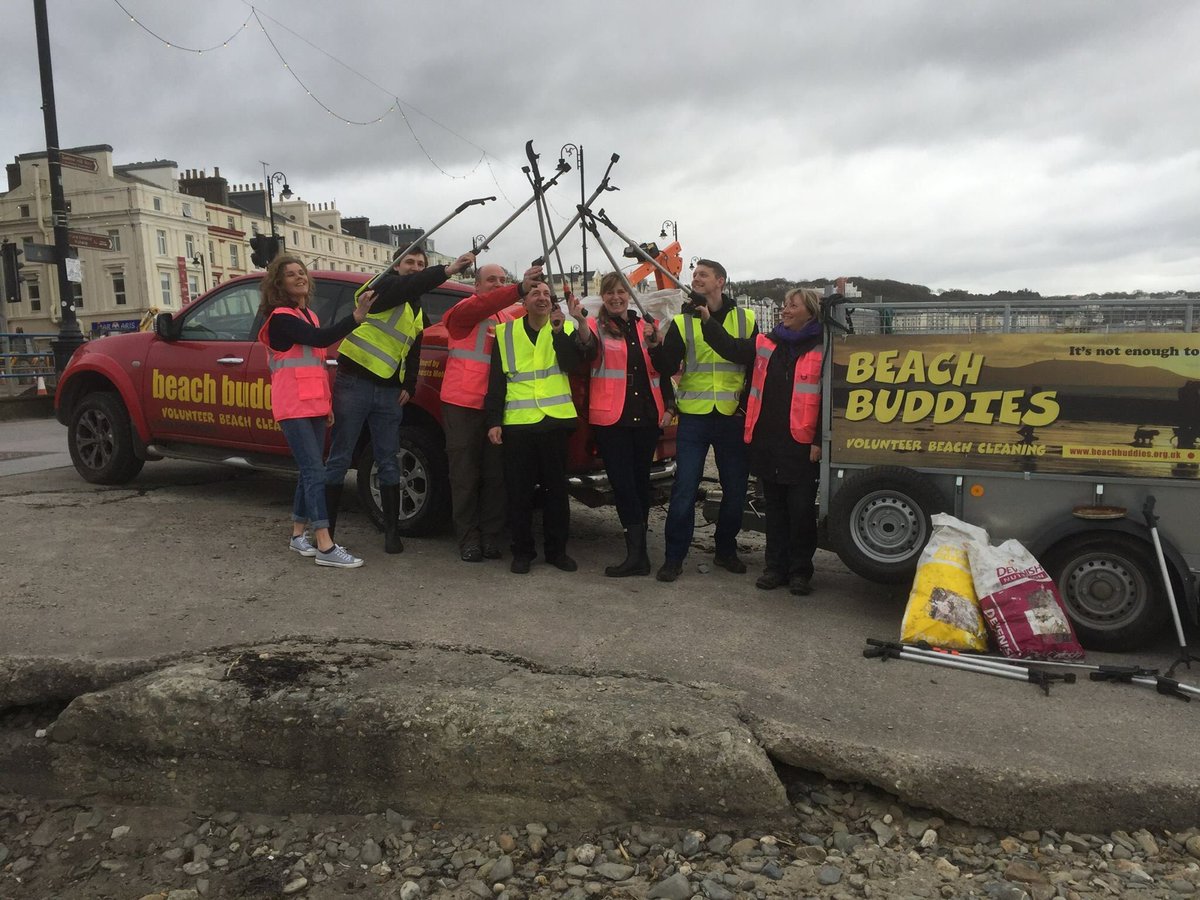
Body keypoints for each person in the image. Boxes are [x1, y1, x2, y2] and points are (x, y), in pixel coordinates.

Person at [324, 245, 475, 554]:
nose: (415, 267)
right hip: (355, 381)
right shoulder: (381, 287)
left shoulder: (416, 309)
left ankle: (392, 533)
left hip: (389, 391)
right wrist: (446, 270)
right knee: (340, 457)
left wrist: (409, 383)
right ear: (395, 264)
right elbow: (407, 287)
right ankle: (326, 533)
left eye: (421, 263)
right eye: (410, 261)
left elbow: (413, 349)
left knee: (389, 460)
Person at [698, 287, 824, 595]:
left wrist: (819, 440)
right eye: (784, 304)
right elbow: (730, 347)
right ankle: (774, 568)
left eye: (792, 305)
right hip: (768, 440)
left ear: (809, 311)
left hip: (802, 442)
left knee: (802, 511)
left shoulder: (823, 347)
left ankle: (800, 572)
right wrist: (706, 320)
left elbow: (829, 400)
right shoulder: (767, 342)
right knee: (776, 511)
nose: (785, 309)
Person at [257, 254, 373, 568]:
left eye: (301, 273)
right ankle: (324, 544)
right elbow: (319, 340)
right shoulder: (282, 317)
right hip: (292, 405)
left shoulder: (309, 314)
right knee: (314, 471)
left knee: (310, 469)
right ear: (279, 284)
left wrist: (325, 405)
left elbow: (317, 365)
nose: (299, 277)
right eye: (291, 274)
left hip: (312, 403)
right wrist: (356, 316)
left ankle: (298, 535)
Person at [649, 258, 757, 582]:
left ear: (721, 281)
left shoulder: (746, 318)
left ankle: (726, 549)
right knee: (684, 488)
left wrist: (746, 408)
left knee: (735, 490)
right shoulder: (683, 322)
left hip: (731, 415)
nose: (695, 278)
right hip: (694, 417)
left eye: (703, 275)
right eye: (694, 274)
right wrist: (656, 346)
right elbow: (668, 366)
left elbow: (747, 360)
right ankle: (674, 557)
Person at [569, 273, 673, 576]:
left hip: (646, 416)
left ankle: (638, 555)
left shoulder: (647, 326)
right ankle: (636, 553)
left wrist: (669, 403)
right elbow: (586, 354)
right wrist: (579, 324)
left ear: (630, 294)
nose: (616, 297)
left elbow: (662, 370)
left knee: (640, 482)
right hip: (612, 417)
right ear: (603, 296)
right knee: (623, 484)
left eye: (621, 292)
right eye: (610, 293)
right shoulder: (595, 326)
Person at [441, 263, 542, 562]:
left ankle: (490, 538)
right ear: (476, 286)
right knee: (464, 477)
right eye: (490, 280)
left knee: (496, 477)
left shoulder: (504, 316)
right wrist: (519, 288)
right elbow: (488, 304)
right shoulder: (462, 312)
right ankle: (468, 539)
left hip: (495, 408)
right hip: (462, 405)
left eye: (502, 280)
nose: (497, 285)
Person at [485, 280, 586, 574]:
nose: (541, 298)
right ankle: (522, 552)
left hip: (554, 422)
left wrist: (558, 331)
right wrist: (494, 421)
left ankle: (557, 552)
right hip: (518, 425)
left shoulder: (563, 328)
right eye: (535, 293)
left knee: (556, 492)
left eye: (546, 294)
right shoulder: (505, 333)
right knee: (519, 493)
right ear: (524, 302)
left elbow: (571, 365)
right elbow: (496, 382)